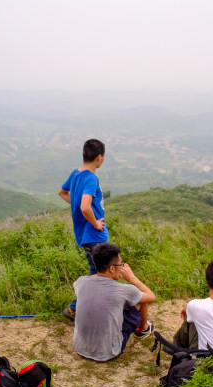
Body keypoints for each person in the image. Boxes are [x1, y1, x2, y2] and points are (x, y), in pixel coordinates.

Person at [72, 242, 156, 362]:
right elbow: (151, 296)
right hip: (109, 351)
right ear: (112, 268)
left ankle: (142, 328)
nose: (122, 267)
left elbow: (74, 284)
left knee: (127, 300)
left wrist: (101, 274)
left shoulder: (81, 282)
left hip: (80, 347)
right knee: (139, 299)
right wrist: (131, 277)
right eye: (120, 265)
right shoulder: (125, 290)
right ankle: (143, 329)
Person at [58, 139, 109, 321]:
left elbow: (62, 192)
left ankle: (84, 310)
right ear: (99, 157)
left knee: (97, 274)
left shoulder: (75, 174)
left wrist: (78, 205)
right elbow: (85, 207)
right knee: (103, 275)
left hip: (86, 236)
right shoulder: (90, 178)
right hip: (95, 235)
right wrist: (95, 222)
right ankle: (74, 310)